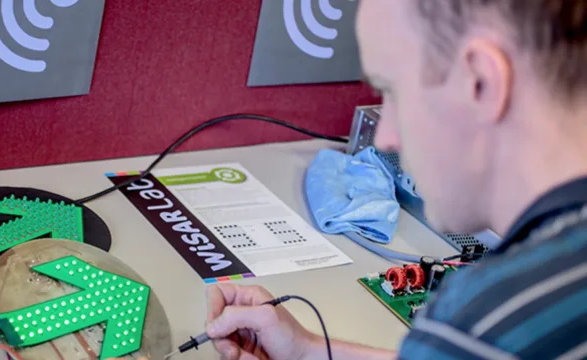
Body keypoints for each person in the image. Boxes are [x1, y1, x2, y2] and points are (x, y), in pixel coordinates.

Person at [204, 1, 587, 359]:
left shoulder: (487, 318)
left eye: (393, 92)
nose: (385, 137)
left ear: (480, 84)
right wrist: (306, 351)